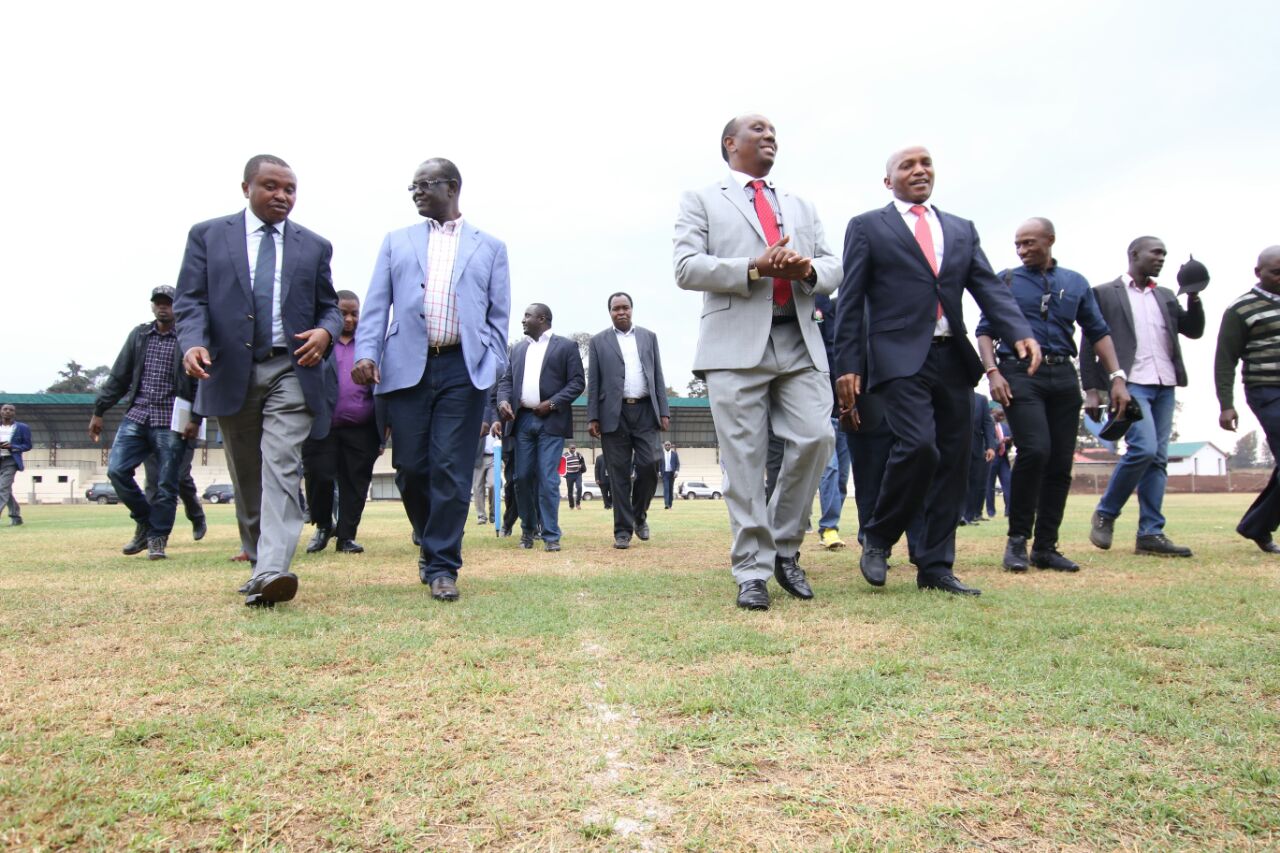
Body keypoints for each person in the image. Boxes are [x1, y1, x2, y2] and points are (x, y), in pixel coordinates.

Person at [835, 146, 1040, 597]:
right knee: (920, 447)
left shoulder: (961, 230)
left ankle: (935, 565)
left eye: (925, 163)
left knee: (952, 460)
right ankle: (879, 534)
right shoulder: (869, 226)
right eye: (907, 165)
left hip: (952, 357)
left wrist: (1019, 329)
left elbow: (986, 285)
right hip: (897, 357)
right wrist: (848, 364)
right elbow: (850, 299)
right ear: (888, 181)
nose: (919, 170)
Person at [675, 113, 839, 611]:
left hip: (799, 341)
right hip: (733, 346)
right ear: (731, 143)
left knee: (818, 437)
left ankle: (784, 546)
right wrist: (753, 267)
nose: (770, 137)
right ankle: (752, 570)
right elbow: (686, 267)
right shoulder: (701, 199)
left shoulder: (800, 205)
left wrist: (807, 268)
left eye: (774, 132)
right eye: (758, 131)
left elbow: (833, 267)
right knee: (744, 463)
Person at [174, 154, 341, 607]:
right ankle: (256, 557)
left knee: (281, 463)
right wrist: (192, 343)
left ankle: (273, 569)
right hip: (230, 369)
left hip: (291, 367)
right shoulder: (208, 236)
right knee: (246, 472)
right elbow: (190, 302)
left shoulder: (314, 245)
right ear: (246, 187)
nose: (282, 196)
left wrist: (327, 331)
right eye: (271, 186)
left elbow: (328, 305)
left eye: (289, 189)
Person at [353, 158, 510, 601]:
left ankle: (443, 565)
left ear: (453, 187)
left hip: (463, 368)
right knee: (411, 468)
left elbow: (499, 317)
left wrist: (492, 363)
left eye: (425, 184)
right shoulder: (396, 242)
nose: (417, 192)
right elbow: (375, 305)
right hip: (406, 368)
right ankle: (428, 539)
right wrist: (366, 352)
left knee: (451, 468)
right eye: (413, 187)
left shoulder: (491, 247)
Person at [979, 217, 1130, 572]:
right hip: (1018, 373)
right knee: (1035, 450)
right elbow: (985, 331)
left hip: (1063, 374)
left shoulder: (1075, 283)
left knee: (1061, 463)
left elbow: (1098, 332)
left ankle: (1046, 547)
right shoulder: (1007, 280)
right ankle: (1017, 541)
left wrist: (1117, 377)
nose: (1022, 250)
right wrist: (993, 372)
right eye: (1018, 244)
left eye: (1030, 242)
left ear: (1050, 240)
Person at [1080, 236, 1204, 557]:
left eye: (1165, 254)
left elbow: (1192, 330)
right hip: (1129, 383)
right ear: (1135, 254)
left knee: (1158, 458)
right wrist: (1092, 389)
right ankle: (1106, 512)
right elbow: (1089, 340)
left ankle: (1151, 533)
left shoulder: (1164, 295)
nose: (1161, 258)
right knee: (1144, 448)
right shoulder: (1105, 293)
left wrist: (1193, 297)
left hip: (1165, 382)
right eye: (1156, 252)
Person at [90, 286, 201, 559]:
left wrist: (196, 418)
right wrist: (99, 410)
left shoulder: (189, 338)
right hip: (138, 415)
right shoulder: (139, 336)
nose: (163, 307)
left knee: (166, 483)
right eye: (158, 303)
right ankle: (144, 520)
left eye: (168, 303)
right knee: (116, 470)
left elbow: (201, 381)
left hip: (171, 420)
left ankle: (157, 539)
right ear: (152, 306)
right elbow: (119, 376)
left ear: (177, 307)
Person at [497, 304, 585, 552]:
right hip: (522, 420)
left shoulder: (566, 347)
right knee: (521, 478)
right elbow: (506, 381)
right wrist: (503, 401)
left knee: (547, 479)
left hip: (551, 420)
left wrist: (553, 402)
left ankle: (551, 534)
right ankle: (528, 529)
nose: (523, 320)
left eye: (527, 315)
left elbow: (578, 381)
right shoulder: (517, 349)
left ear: (542, 318)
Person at [587, 292, 671, 548]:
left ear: (632, 309)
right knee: (618, 475)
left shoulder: (648, 337)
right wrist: (593, 416)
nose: (621, 312)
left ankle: (639, 515)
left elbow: (657, 374)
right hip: (614, 414)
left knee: (650, 465)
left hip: (645, 411)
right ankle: (622, 531)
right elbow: (594, 382)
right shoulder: (598, 342)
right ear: (610, 312)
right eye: (615, 309)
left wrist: (663, 411)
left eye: (625, 308)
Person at [303, 290, 380, 555]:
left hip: (362, 428)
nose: (348, 319)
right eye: (343, 313)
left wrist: (386, 426)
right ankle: (324, 524)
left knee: (355, 484)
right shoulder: (319, 341)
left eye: (354, 313)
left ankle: (346, 536)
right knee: (319, 476)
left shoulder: (371, 344)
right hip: (322, 425)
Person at [1216, 246, 1280, 553]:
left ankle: (1256, 526)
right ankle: (1257, 526)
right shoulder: (1241, 309)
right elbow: (1225, 359)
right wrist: (1226, 404)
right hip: (1267, 392)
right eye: (1276, 272)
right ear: (1259, 272)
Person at [144, 450, 206, 541]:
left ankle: (196, 515)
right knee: (153, 479)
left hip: (182, 437)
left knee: (181, 477)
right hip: (152, 437)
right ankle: (153, 533)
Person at [960, 391, 997, 526]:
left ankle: (968, 516)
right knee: (956, 483)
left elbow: (987, 424)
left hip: (976, 447)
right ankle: (956, 515)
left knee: (974, 482)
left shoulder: (981, 400)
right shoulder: (951, 392)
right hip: (954, 447)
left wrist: (991, 446)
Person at [0, 404, 31, 526]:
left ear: (14, 413)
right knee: (5, 490)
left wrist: (12, 446)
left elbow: (28, 445)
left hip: (11, 461)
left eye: (11, 410)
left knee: (2, 488)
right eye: (5, 409)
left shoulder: (22, 428)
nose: (8, 412)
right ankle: (15, 516)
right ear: (1, 412)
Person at [986, 406, 1013, 518]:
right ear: (993, 413)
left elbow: (1009, 445)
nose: (1001, 417)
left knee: (1008, 483)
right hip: (991, 458)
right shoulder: (988, 426)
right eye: (999, 415)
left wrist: (1008, 441)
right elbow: (988, 441)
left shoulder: (1005, 427)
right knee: (989, 486)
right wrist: (999, 442)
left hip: (1003, 459)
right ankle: (991, 512)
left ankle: (1009, 511)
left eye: (1003, 415)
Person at [473, 419, 496, 524]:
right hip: (479, 456)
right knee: (478, 486)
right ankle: (481, 516)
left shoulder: (497, 417)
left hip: (495, 456)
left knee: (493, 484)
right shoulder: (480, 415)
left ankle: (493, 514)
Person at [563, 444, 586, 509]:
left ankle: (578, 504)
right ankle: (571, 505)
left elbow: (582, 462)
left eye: (574, 448)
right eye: (572, 448)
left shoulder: (578, 454)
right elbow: (562, 465)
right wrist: (564, 474)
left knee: (579, 487)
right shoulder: (564, 455)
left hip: (578, 474)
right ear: (569, 448)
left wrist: (581, 465)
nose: (573, 449)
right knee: (570, 491)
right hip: (569, 475)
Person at [660, 441, 680, 508]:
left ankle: (670, 504)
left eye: (669, 445)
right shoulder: (661, 454)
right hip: (664, 474)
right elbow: (658, 464)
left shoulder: (674, 454)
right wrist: (659, 471)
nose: (667, 446)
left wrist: (677, 471)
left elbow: (678, 464)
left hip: (672, 474)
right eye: (666, 445)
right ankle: (666, 504)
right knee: (666, 489)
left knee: (670, 489)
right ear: (664, 446)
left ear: (671, 446)